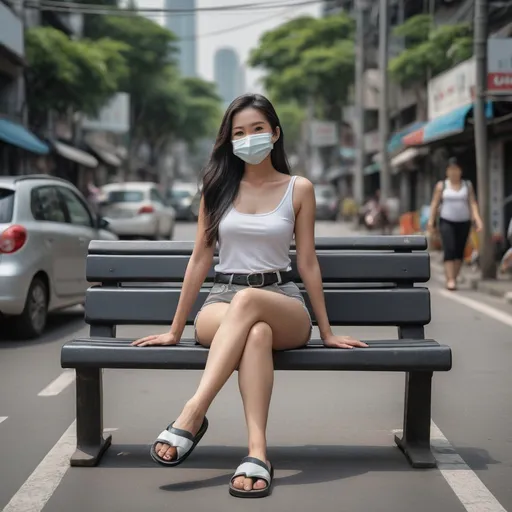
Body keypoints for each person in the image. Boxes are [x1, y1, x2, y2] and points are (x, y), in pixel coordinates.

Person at [132, 94, 368, 498]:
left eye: (257, 129)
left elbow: (308, 262)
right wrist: (175, 330)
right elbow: (199, 259)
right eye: (238, 132)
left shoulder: (299, 189)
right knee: (254, 331)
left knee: (251, 305)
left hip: (282, 300)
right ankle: (258, 453)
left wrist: (326, 331)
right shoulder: (217, 188)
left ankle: (193, 412)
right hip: (220, 301)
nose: (249, 138)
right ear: (229, 142)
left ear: (275, 133)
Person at [427, 159, 483, 290]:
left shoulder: (467, 185)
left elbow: (472, 203)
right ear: (447, 171)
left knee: (459, 251)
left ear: (460, 171)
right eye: (451, 169)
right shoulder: (442, 186)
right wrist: (431, 221)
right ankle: (450, 279)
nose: (454, 172)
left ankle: (454, 277)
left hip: (464, 222)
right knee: (450, 248)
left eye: (456, 169)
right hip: (447, 221)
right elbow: (435, 204)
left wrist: (477, 219)